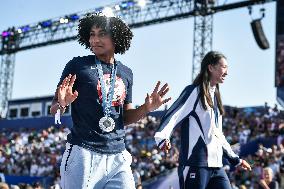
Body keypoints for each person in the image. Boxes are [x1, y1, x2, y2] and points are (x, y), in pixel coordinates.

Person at [50, 13, 171, 189]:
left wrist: (146, 108)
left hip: (118, 155)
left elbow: (126, 117)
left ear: (116, 37)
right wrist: (62, 104)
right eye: (92, 34)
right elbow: (54, 108)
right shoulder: (76, 65)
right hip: (83, 153)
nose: (95, 39)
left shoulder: (126, 72)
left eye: (102, 34)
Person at [154, 51, 251, 189]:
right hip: (195, 164)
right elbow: (174, 114)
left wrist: (235, 160)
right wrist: (162, 138)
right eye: (224, 67)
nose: (227, 72)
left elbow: (218, 135)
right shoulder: (194, 91)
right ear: (210, 67)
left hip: (217, 166)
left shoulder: (216, 98)